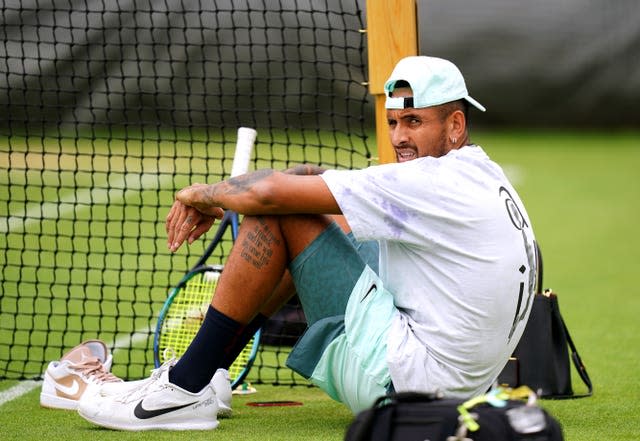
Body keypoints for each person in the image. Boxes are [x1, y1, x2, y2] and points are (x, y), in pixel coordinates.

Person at [78, 55, 537, 431]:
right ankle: (212, 378)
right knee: (314, 213)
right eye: (394, 121)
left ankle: (183, 388)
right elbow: (329, 200)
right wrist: (300, 178)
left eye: (414, 122)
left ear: (455, 125)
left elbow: (269, 196)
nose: (399, 137)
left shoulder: (429, 182)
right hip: (462, 393)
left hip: (407, 390)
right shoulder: (481, 175)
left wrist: (200, 193)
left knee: (284, 214)